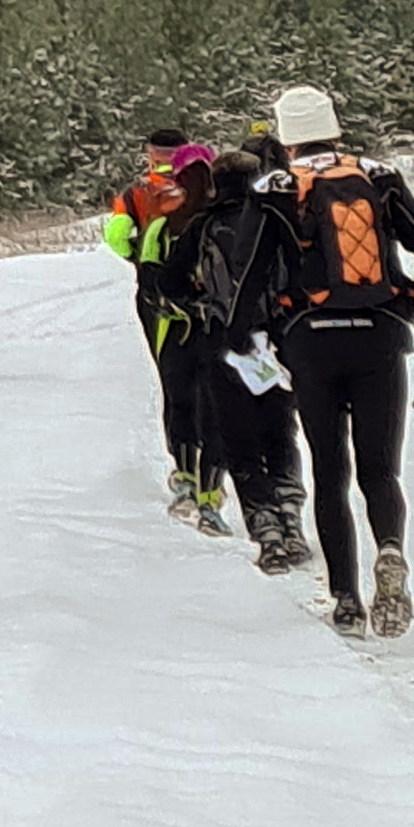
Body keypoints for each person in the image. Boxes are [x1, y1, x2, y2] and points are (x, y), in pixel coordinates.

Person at [269, 85, 414, 637]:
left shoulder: (278, 189)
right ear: (334, 128)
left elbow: (254, 272)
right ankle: (390, 548)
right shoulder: (378, 178)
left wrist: (272, 332)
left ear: (285, 139)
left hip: (310, 343)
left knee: (330, 473)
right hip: (380, 339)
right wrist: (408, 308)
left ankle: (347, 601)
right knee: (380, 470)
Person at [161, 148, 308, 564]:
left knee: (238, 435)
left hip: (221, 341)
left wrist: (200, 303)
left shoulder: (202, 225)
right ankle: (291, 517)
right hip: (276, 340)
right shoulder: (275, 218)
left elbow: (168, 283)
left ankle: (266, 531)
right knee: (280, 429)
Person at [106, 133, 215, 515]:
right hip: (212, 306)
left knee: (174, 379)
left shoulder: (138, 193)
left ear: (151, 155)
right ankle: (212, 471)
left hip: (160, 304)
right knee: (211, 381)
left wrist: (137, 257)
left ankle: (184, 466)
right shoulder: (206, 187)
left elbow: (116, 236)